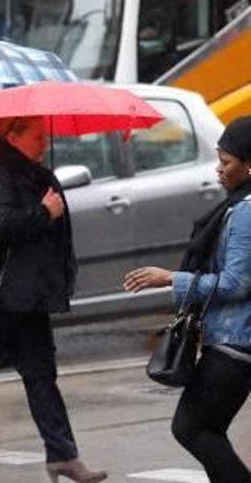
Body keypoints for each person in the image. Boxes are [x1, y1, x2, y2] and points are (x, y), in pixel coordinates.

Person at [0, 116, 106, 483]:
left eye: (45, 136)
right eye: (37, 136)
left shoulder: (31, 171)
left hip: (27, 294)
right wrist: (43, 212)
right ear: (12, 136)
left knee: (42, 374)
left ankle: (61, 454)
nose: (43, 142)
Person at [124, 116, 251, 483]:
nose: (219, 169)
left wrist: (169, 279)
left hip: (236, 341)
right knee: (205, 429)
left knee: (193, 428)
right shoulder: (238, 206)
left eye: (227, 162)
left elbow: (235, 283)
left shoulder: (245, 212)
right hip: (234, 338)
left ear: (249, 165)